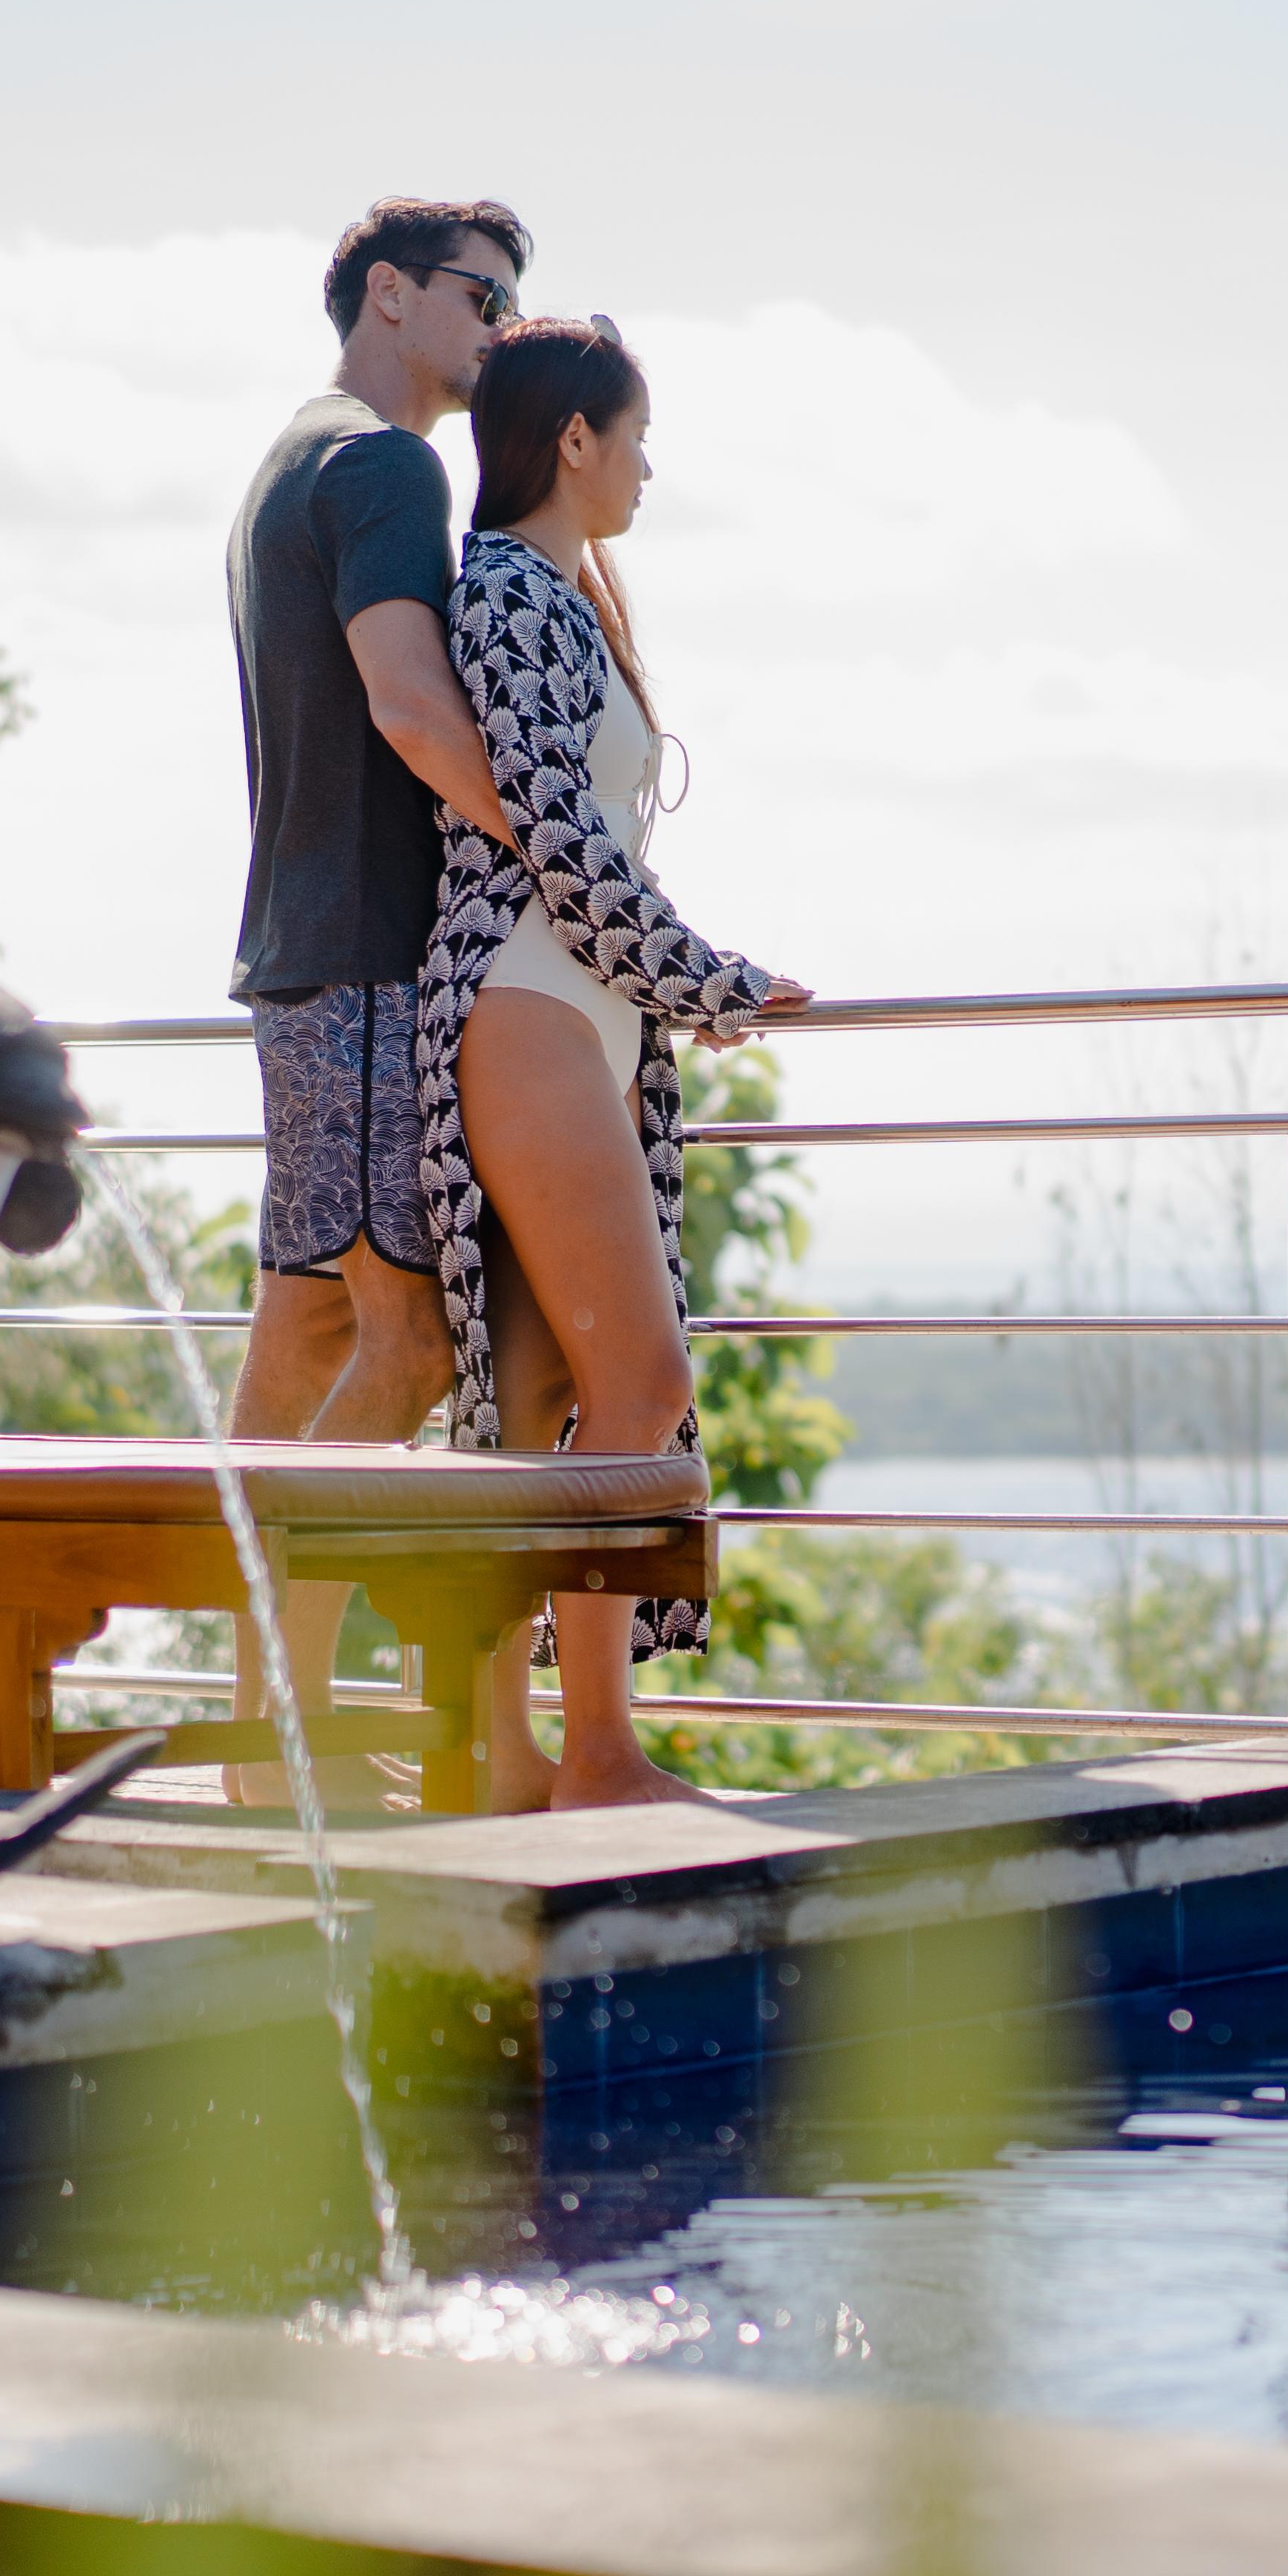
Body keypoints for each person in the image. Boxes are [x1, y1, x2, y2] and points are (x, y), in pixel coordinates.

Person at [416, 318, 806, 1809]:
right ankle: (597, 1754)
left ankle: (512, 1757)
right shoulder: (511, 591)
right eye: (634, 433)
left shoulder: (561, 593)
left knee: (530, 1409)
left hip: (576, 1012)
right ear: (571, 438)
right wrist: (713, 980)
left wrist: (677, 991)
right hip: (530, 1000)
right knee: (630, 1378)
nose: (647, 462)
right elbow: (559, 841)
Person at [219, 195, 529, 1807]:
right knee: (401, 1341)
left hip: (297, 957)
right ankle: (277, 1733)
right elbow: (409, 704)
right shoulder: (389, 463)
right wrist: (550, 854)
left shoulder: (289, 454)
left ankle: (246, 1728)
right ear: (389, 295)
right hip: (364, 961)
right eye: (480, 297)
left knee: (307, 1330)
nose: (498, 326)